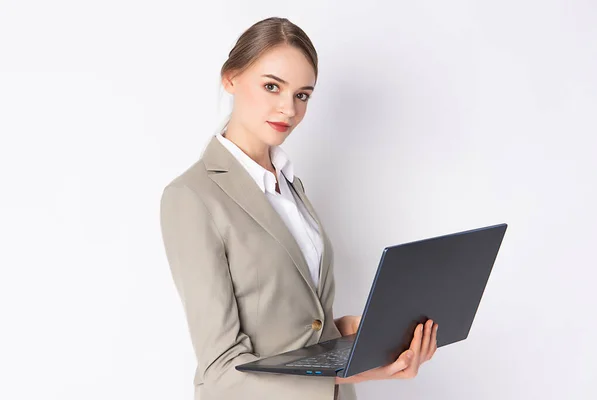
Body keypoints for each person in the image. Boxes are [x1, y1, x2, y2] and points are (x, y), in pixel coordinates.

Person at [160, 16, 438, 400]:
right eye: (272, 86)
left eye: (302, 95)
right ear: (231, 78)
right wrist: (349, 374)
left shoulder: (290, 187)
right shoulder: (192, 197)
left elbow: (299, 325)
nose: (287, 109)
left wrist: (362, 333)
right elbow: (221, 369)